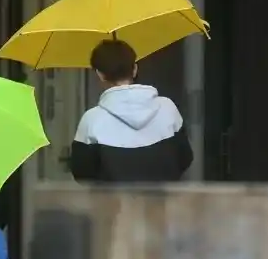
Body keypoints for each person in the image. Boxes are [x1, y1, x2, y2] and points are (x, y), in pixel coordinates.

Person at [69, 39, 193, 182]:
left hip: (113, 204)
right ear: (134, 69)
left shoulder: (91, 120)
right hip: (164, 202)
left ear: (99, 74)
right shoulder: (167, 108)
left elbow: (81, 173)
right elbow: (185, 158)